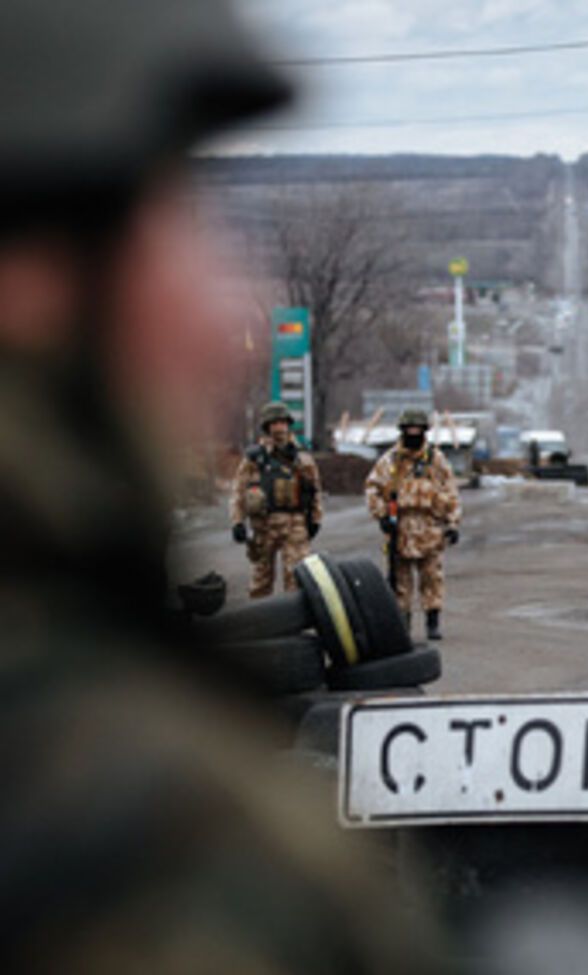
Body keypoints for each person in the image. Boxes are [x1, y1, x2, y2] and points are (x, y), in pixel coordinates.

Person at [0, 1, 442, 969]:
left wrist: (345, 514)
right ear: (30, 281)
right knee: (272, 601)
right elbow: (262, 494)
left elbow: (338, 503)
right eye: (172, 224)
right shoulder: (129, 818)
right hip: (292, 545)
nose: (216, 315)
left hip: (372, 542)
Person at [365, 408, 461, 639]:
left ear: (425, 431)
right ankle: (402, 624)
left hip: (430, 527)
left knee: (432, 578)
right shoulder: (390, 461)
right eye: (410, 429)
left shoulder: (435, 460)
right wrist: (382, 516)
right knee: (401, 582)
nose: (414, 433)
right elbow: (373, 489)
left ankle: (432, 622)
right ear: (402, 430)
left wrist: (453, 523)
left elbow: (450, 491)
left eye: (418, 429)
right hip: (401, 528)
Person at [230, 400, 323, 598]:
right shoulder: (254, 458)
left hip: (295, 525)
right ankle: (261, 625)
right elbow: (238, 491)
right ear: (267, 427)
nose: (279, 428)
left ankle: (293, 625)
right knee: (260, 584)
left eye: (282, 423)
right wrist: (237, 522)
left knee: (297, 581)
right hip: (263, 526)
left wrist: (316, 519)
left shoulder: (302, 457)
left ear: (288, 424)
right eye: (274, 423)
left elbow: (315, 490)